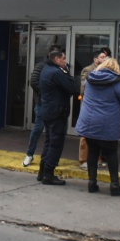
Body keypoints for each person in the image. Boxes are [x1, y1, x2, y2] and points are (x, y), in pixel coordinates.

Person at [75, 57, 120, 195]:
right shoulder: (116, 82)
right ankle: (114, 185)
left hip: (89, 121)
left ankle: (92, 183)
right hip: (108, 123)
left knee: (93, 152)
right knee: (111, 153)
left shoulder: (90, 79)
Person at [37, 49, 79, 185]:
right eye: (64, 58)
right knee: (56, 143)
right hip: (56, 113)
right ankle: (48, 174)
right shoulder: (57, 72)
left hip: (48, 111)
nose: (65, 61)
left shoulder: (46, 69)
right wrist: (67, 72)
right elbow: (73, 88)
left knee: (49, 142)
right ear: (57, 60)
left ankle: (42, 171)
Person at [23, 45, 63, 167]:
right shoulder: (41, 66)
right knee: (37, 129)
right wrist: (46, 94)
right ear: (50, 55)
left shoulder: (61, 68)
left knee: (53, 133)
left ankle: (49, 158)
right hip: (42, 103)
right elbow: (34, 81)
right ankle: (29, 154)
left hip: (55, 105)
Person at [77, 48, 110, 170]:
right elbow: (83, 90)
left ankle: (96, 158)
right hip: (89, 107)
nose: (104, 59)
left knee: (97, 135)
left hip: (99, 108)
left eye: (105, 57)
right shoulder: (88, 70)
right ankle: (83, 160)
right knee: (85, 135)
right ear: (95, 59)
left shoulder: (106, 70)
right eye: (102, 57)